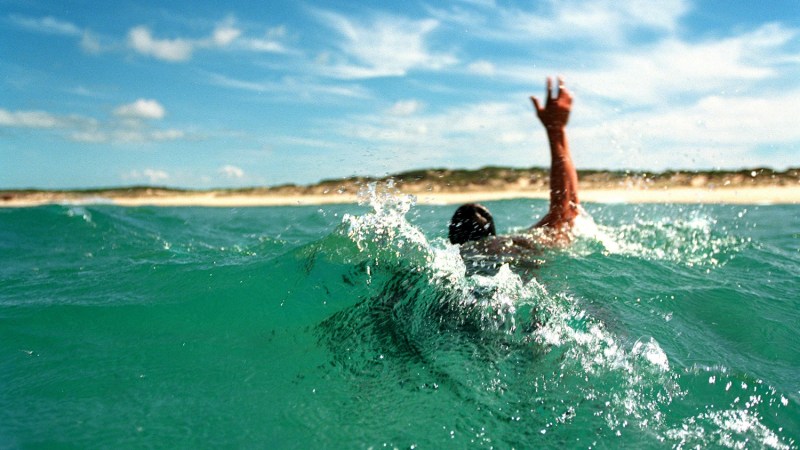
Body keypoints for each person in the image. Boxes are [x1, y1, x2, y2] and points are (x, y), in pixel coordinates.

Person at [449, 77, 580, 253]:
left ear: (451, 240)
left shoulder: (452, 258)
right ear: (492, 236)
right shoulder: (508, 246)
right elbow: (566, 213)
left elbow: (565, 212)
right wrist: (556, 128)